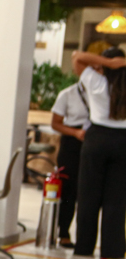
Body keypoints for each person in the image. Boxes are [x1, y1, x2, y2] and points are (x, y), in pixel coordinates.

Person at [72, 47, 126, 259]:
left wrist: (109, 63)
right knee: (117, 199)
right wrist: (118, 63)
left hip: (97, 139)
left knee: (88, 195)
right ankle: (113, 249)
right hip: (123, 141)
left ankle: (84, 247)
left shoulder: (96, 82)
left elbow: (77, 57)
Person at [49, 79, 90, 247]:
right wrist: (75, 133)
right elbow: (55, 123)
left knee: (88, 192)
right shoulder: (67, 94)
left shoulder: (104, 93)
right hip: (72, 143)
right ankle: (63, 232)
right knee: (68, 190)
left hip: (94, 141)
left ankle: (86, 237)